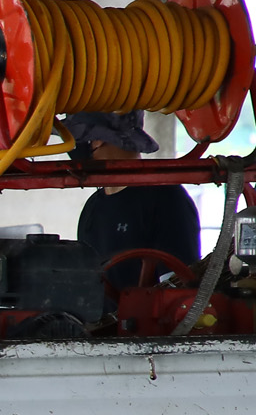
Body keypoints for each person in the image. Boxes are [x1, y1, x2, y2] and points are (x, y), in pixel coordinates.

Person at [67, 110, 201, 289]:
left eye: (86, 141)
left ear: (98, 141)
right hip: (100, 318)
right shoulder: (93, 207)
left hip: (150, 317)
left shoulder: (166, 198)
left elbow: (179, 287)